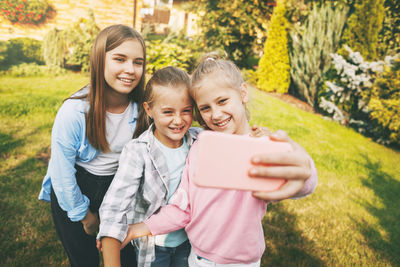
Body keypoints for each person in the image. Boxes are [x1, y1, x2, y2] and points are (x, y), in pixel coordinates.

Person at [120, 54, 318, 266]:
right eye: (205, 108)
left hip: (241, 262)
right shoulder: (200, 146)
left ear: (243, 93)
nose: (215, 114)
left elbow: (300, 182)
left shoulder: (261, 148)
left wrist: (304, 168)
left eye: (222, 101)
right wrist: (137, 228)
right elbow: (183, 207)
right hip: (197, 258)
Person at [38, 24, 146, 267]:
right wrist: (84, 216)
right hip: (75, 188)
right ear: (100, 60)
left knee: (126, 257)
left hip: (118, 189)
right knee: (84, 260)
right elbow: (62, 173)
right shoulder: (74, 111)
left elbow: (178, 124)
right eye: (120, 59)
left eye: (137, 62)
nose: (130, 69)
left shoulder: (143, 109)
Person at [97, 66, 202, 267]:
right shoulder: (138, 152)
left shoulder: (198, 141)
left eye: (186, 111)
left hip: (190, 241)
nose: (178, 120)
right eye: (168, 112)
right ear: (148, 110)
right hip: (154, 247)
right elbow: (114, 207)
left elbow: (233, 140)